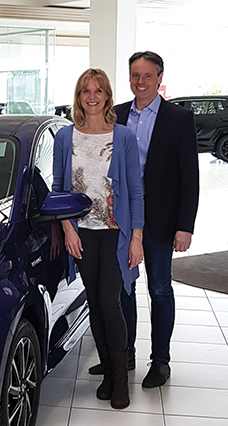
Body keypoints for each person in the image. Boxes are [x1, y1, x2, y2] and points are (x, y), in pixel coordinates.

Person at [88, 51, 198, 388]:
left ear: (159, 78)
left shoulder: (179, 118)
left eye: (147, 75)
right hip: (122, 219)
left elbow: (189, 177)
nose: (141, 82)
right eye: (135, 75)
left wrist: (185, 226)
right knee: (124, 288)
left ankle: (160, 361)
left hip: (162, 220)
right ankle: (125, 354)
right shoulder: (116, 115)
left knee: (159, 289)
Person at [53, 69, 144, 409]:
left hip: (116, 233)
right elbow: (58, 190)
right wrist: (67, 228)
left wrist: (137, 237)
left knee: (110, 300)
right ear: (79, 97)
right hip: (82, 234)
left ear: (107, 96)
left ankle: (120, 380)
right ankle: (107, 372)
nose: (92, 97)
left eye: (98, 91)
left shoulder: (123, 137)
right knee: (94, 300)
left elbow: (135, 192)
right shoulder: (66, 137)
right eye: (85, 91)